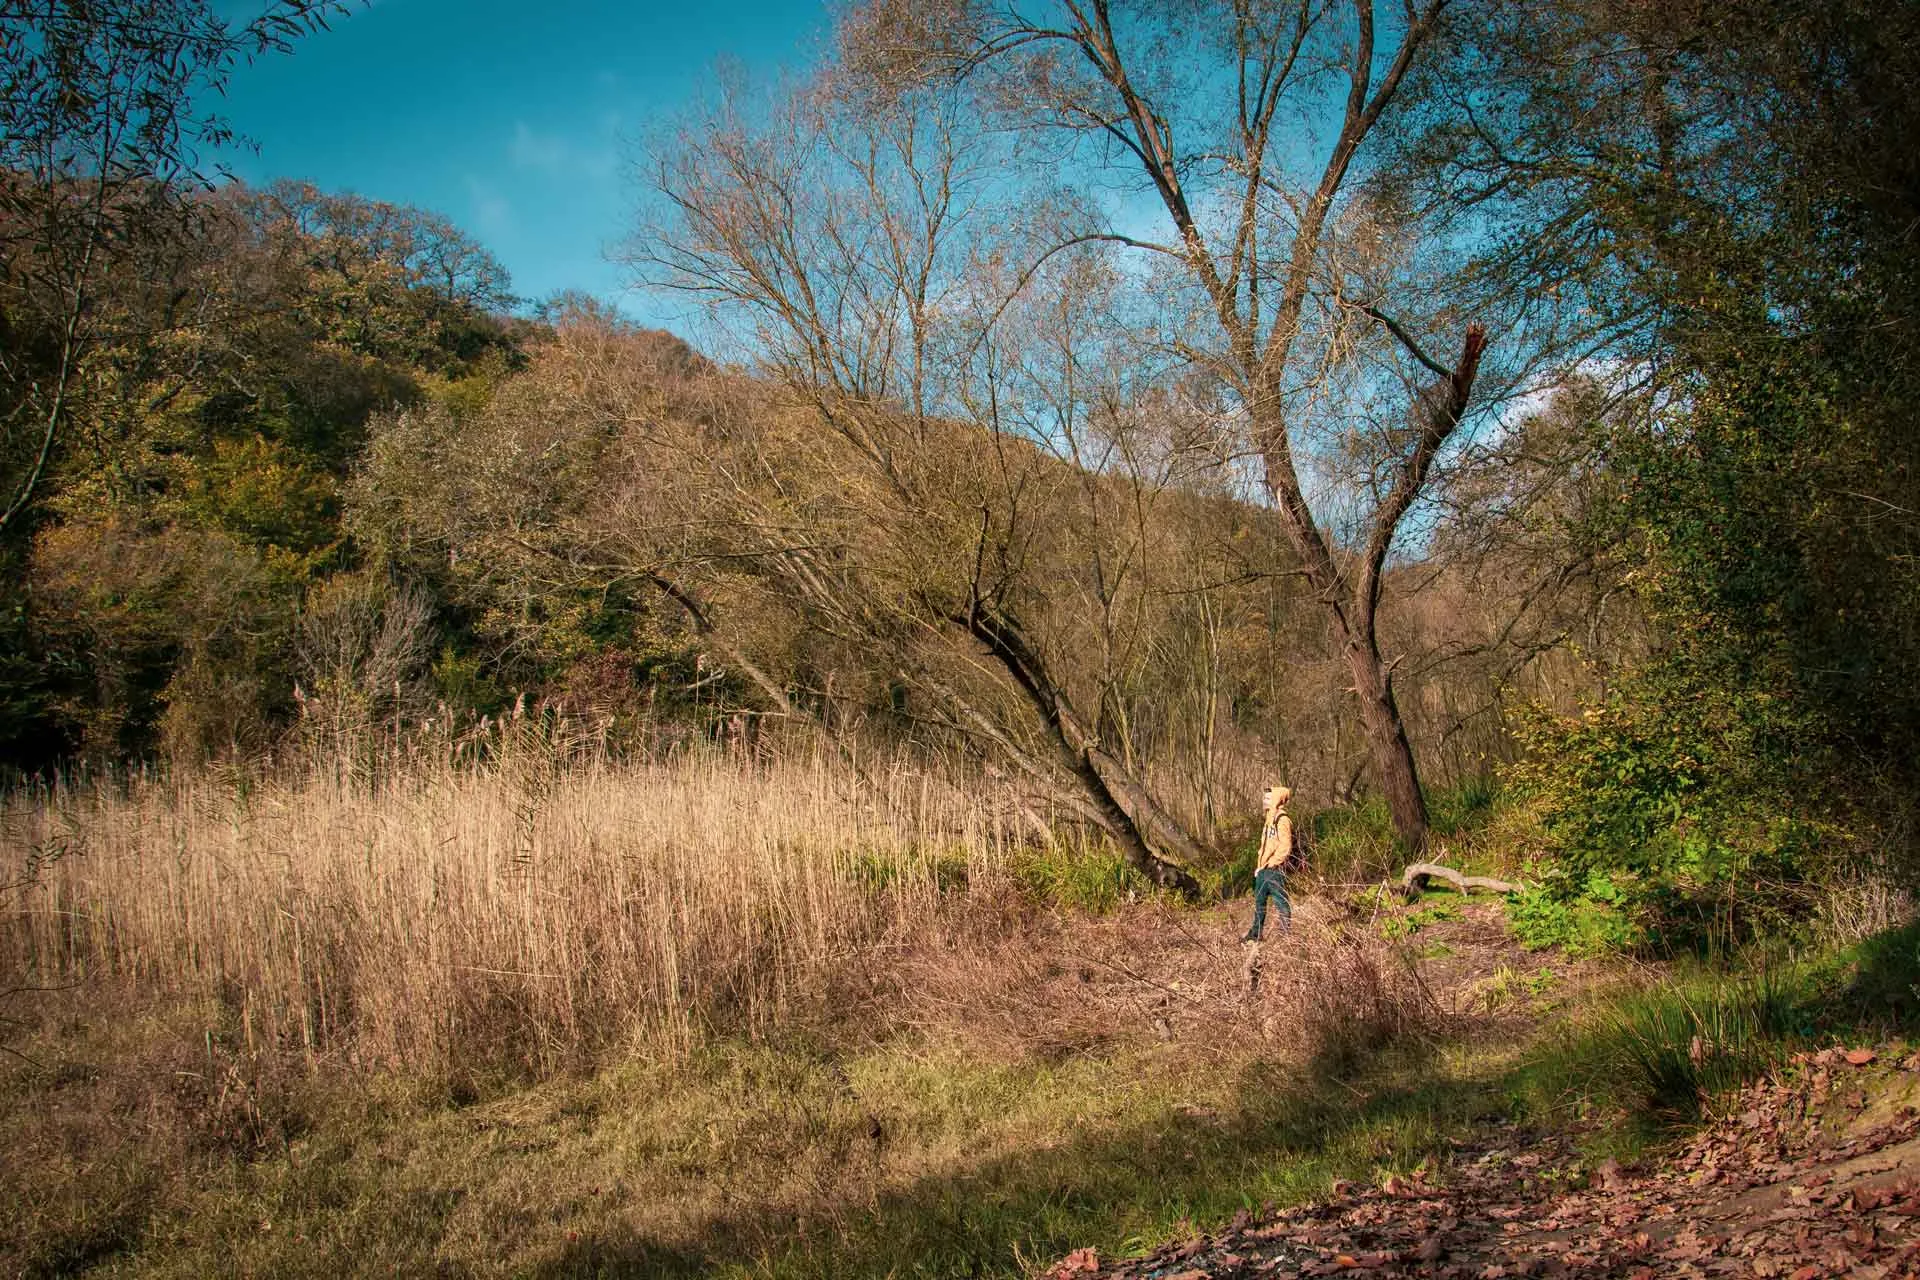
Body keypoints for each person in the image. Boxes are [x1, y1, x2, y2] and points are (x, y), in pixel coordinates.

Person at [1243, 784, 1297, 942]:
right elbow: (1265, 845)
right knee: (1259, 904)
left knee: (1281, 903)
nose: (1264, 800)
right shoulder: (1269, 818)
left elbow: (1285, 847)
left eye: (1268, 798)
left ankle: (1285, 936)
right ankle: (1255, 934)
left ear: (1276, 799)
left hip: (1274, 870)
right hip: (1262, 870)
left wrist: (1272, 863)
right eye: (1264, 797)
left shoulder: (1282, 819)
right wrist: (1259, 867)